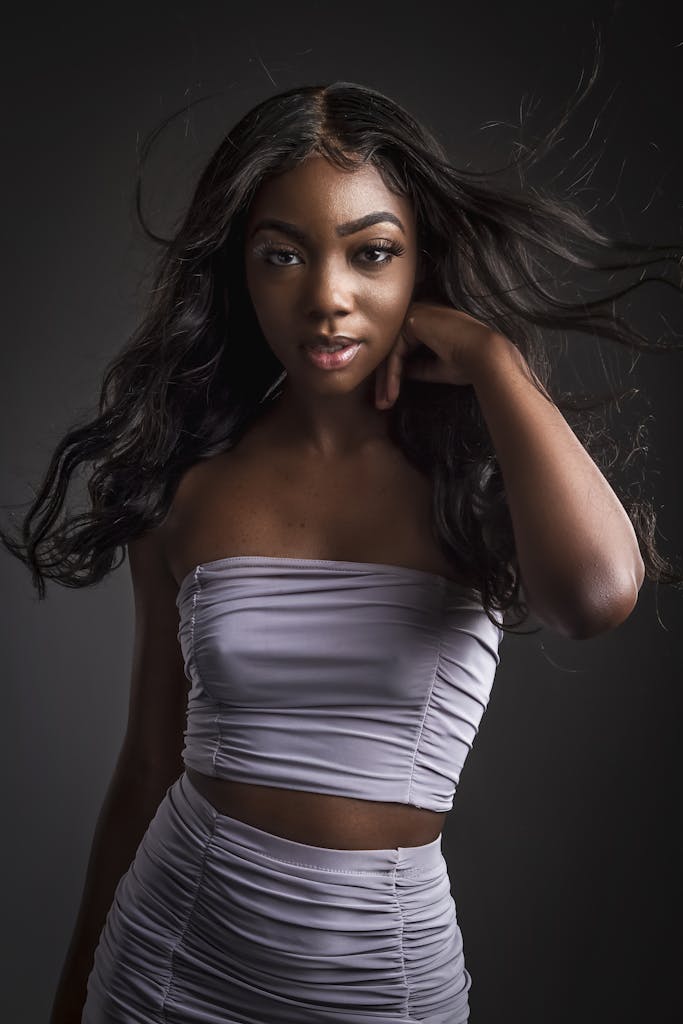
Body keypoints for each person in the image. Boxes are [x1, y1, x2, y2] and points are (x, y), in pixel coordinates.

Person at [4, 75, 681, 1023]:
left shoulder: (478, 474)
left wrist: (492, 361)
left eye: (371, 253)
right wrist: (74, 995)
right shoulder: (189, 486)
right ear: (240, 272)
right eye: (283, 255)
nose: (327, 296)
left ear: (417, 264)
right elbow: (148, 764)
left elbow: (599, 596)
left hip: (385, 985)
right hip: (167, 966)